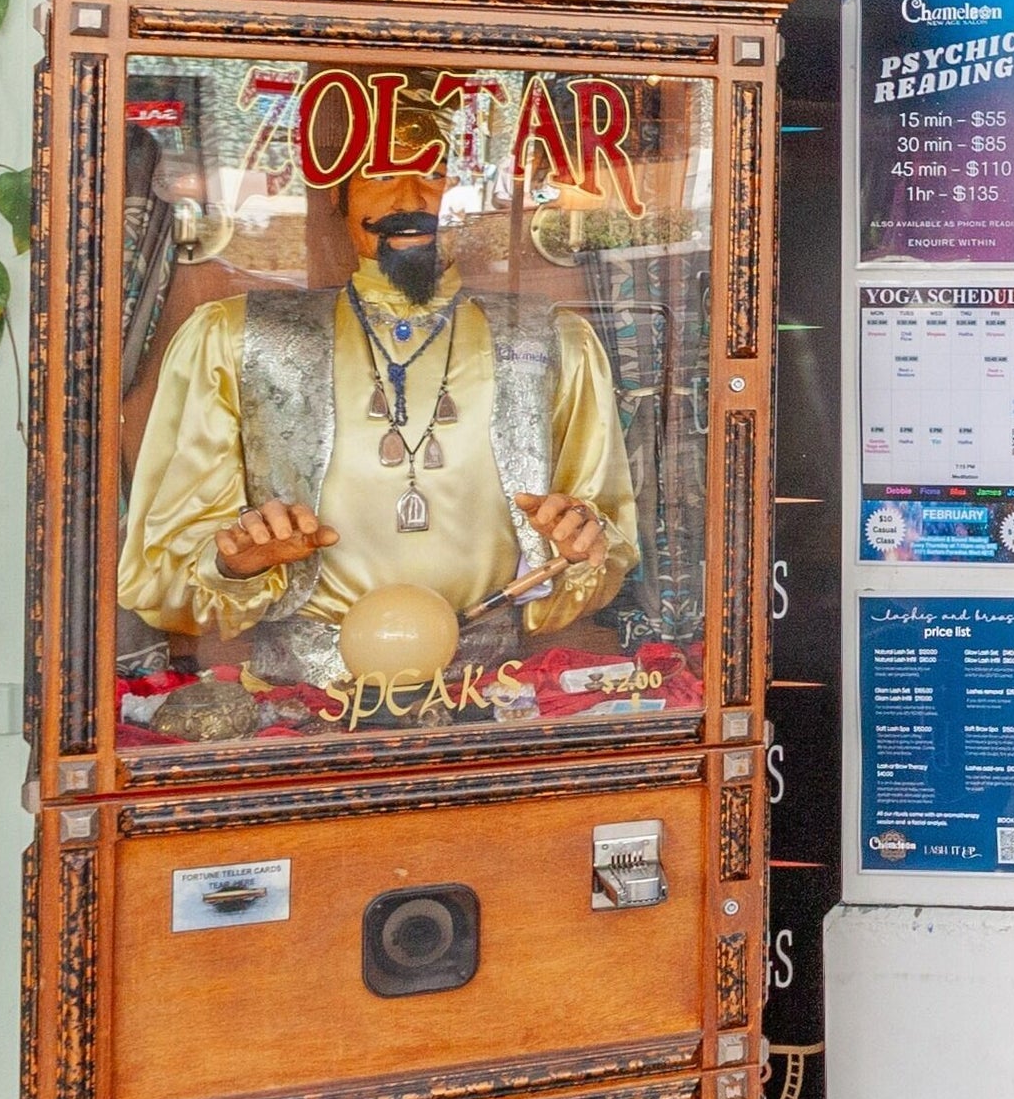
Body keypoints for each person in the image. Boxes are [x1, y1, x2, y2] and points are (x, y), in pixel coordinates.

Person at [115, 83, 641, 689]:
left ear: (468, 196)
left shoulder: (554, 342)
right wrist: (237, 562)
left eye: (436, 174)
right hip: (301, 692)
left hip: (496, 693)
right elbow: (166, 564)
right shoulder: (238, 337)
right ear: (338, 198)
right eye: (381, 176)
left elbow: (606, 538)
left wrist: (578, 544)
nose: (410, 198)